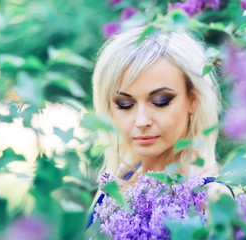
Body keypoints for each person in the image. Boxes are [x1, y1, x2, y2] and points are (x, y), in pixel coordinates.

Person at [89, 26, 233, 226]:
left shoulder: (210, 200)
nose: (141, 121)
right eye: (125, 105)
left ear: (193, 100)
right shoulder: (115, 186)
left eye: (161, 101)